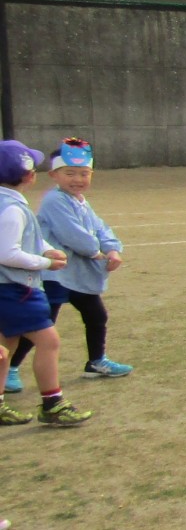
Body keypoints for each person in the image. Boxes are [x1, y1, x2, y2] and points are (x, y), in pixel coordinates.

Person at [10, 140, 131, 391]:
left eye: (84, 173)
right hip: (55, 274)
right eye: (70, 173)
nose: (78, 179)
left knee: (96, 315)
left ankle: (96, 361)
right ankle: (10, 368)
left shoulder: (80, 200)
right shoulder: (55, 200)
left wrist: (112, 248)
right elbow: (73, 235)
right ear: (54, 175)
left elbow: (100, 227)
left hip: (77, 274)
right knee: (40, 324)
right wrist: (98, 254)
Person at [0, 140, 91, 427]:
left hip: (8, 289)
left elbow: (19, 238)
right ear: (29, 176)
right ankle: (53, 403)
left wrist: (44, 247)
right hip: (16, 289)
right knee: (49, 342)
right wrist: (45, 263)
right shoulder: (12, 208)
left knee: (6, 346)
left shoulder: (7, 203)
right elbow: (7, 252)